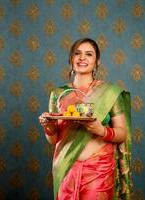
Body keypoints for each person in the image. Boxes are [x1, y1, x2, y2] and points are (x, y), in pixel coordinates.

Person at [39, 38, 132, 200]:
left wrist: (101, 130)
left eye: (89, 54)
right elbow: (53, 140)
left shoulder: (110, 93)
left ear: (97, 62)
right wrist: (49, 126)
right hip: (66, 168)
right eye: (77, 53)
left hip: (99, 170)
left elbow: (122, 133)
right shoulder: (58, 94)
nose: (82, 58)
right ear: (71, 59)